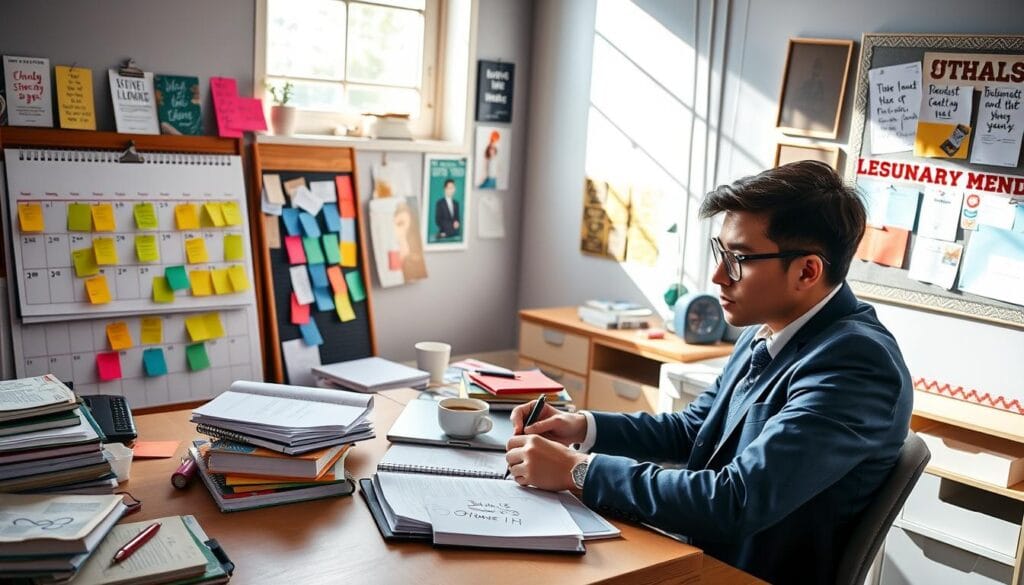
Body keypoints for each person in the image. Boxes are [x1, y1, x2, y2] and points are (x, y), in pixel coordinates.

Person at [505, 160, 912, 584]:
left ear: (807, 271)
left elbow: (734, 500)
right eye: (721, 252)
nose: (718, 276)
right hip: (694, 553)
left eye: (738, 259)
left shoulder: (855, 364)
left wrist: (579, 470)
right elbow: (694, 428)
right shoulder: (770, 327)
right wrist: (581, 427)